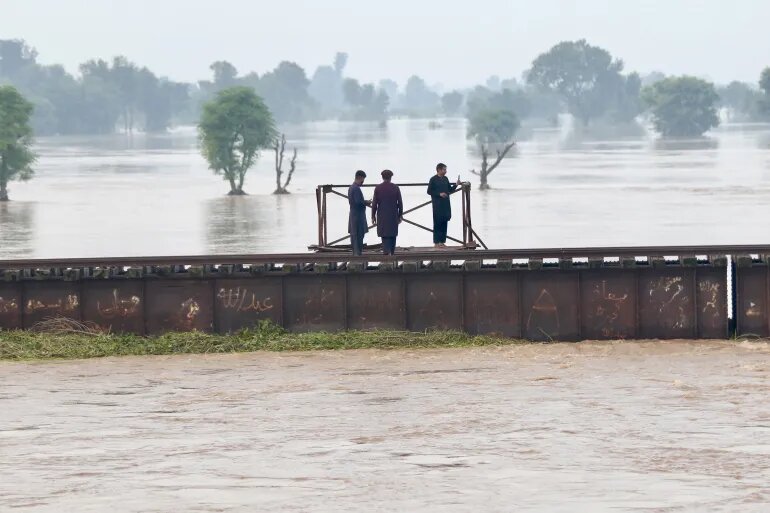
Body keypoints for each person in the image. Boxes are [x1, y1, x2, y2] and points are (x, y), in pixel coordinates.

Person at [427, 162, 461, 248]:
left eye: (445, 169)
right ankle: (436, 242)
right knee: (437, 223)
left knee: (444, 222)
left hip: (446, 204)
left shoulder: (446, 179)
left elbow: (450, 189)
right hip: (437, 205)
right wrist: (439, 194)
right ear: (439, 170)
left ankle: (442, 241)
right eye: (444, 169)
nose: (445, 171)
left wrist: (456, 185)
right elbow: (429, 191)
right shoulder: (433, 179)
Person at [371, 169, 404, 255]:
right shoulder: (395, 188)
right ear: (391, 177)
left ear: (382, 177)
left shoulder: (378, 188)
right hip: (393, 214)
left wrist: (373, 216)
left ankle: (386, 253)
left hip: (382, 214)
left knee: (384, 234)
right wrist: (400, 215)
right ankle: (392, 253)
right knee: (393, 234)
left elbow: (374, 204)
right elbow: (400, 203)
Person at [348, 170, 370, 256]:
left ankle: (355, 254)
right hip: (358, 216)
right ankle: (357, 254)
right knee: (358, 235)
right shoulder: (356, 188)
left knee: (354, 235)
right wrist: (366, 202)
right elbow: (358, 202)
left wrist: (364, 201)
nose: (363, 182)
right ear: (360, 178)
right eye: (363, 180)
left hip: (353, 215)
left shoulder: (351, 187)